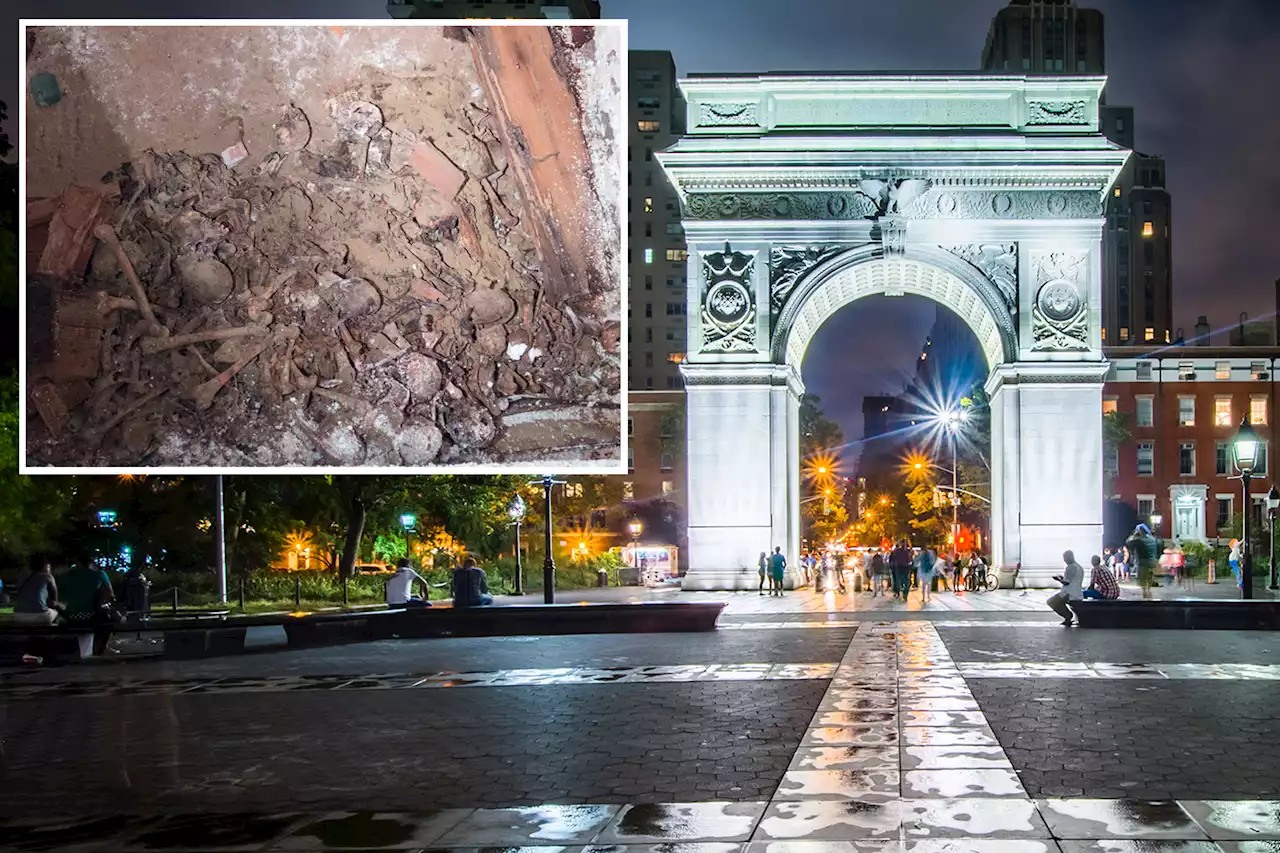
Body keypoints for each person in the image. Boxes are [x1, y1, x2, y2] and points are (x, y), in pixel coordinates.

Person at [58, 559, 120, 655]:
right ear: (91, 564)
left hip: (70, 616)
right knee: (108, 617)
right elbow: (111, 595)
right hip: (91, 615)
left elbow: (59, 595)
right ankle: (101, 647)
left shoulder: (67, 575)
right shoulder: (100, 574)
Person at [12, 559, 62, 626]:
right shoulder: (48, 577)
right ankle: (51, 635)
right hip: (40, 616)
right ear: (44, 567)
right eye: (49, 567)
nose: (50, 570)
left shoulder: (24, 578)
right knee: (56, 611)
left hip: (18, 616)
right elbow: (54, 602)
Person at [1047, 550, 1085, 626]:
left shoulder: (1070, 567)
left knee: (1051, 602)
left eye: (1065, 558)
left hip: (1069, 593)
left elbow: (1066, 582)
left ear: (1069, 557)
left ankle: (1067, 616)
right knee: (1056, 601)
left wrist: (1058, 579)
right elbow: (1072, 579)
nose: (1064, 560)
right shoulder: (1079, 567)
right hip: (1077, 593)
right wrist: (1062, 578)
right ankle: (1068, 616)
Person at [1127, 524, 1159, 599]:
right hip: (1152, 562)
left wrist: (1134, 535)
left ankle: (1145, 594)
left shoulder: (1139, 540)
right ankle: (1148, 592)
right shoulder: (1152, 539)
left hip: (1143, 563)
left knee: (1142, 580)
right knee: (1149, 578)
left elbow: (1128, 542)